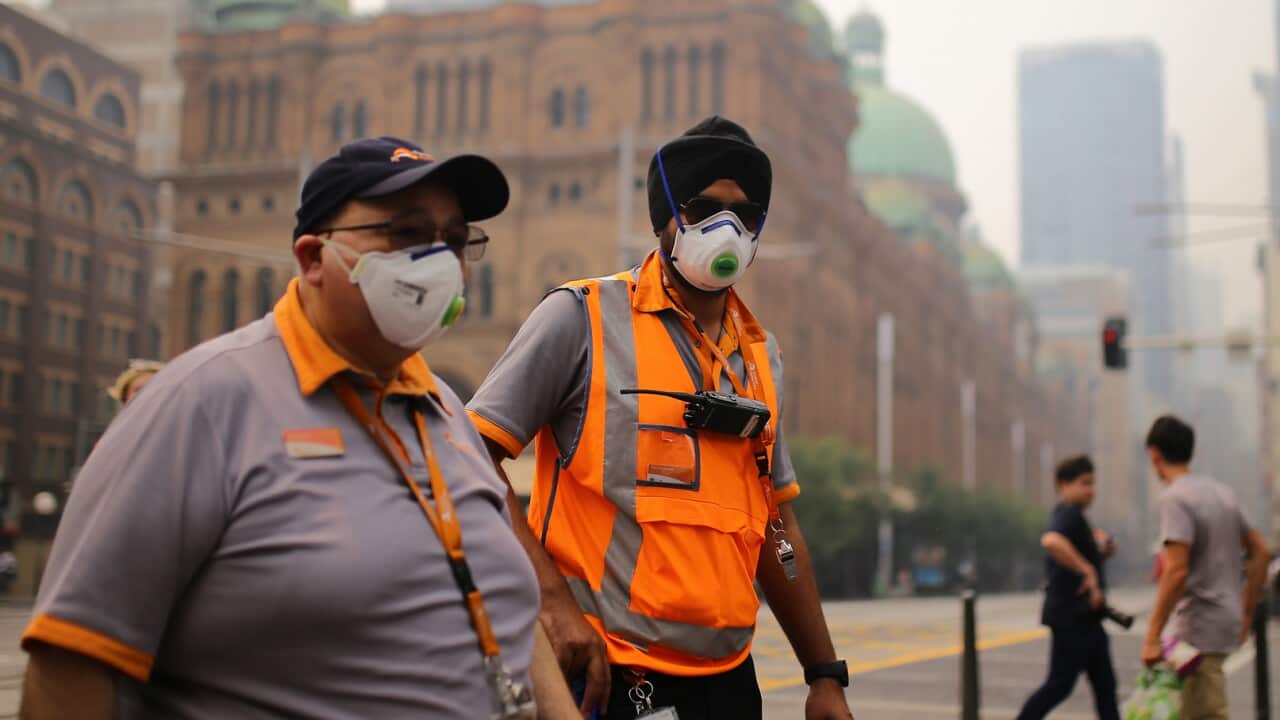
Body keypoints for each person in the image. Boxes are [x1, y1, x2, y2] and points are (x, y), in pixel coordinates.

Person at [20, 137, 577, 719]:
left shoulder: (446, 412)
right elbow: (71, 665)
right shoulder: (199, 403)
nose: (440, 261)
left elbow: (506, 614)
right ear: (313, 258)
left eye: (455, 241)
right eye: (405, 234)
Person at [466, 116, 853, 720]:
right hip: (601, 671)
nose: (726, 228)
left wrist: (823, 672)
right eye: (704, 208)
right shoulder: (582, 319)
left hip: (727, 682)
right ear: (664, 215)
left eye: (745, 215)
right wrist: (551, 603)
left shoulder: (762, 356)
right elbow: (466, 457)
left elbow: (775, 528)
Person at [1141, 414, 1271, 720]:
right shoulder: (1222, 493)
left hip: (1198, 628)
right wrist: (1247, 609)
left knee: (1205, 712)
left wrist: (1152, 635)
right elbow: (1261, 552)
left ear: (1154, 454)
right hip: (1224, 621)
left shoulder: (1175, 498)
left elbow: (1176, 571)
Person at [1016, 455, 1120, 720]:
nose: (1091, 490)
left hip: (1085, 619)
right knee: (1060, 685)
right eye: (1084, 483)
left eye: (1093, 483)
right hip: (1072, 619)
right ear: (1064, 485)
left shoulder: (1076, 518)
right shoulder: (1068, 514)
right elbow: (1051, 541)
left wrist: (1098, 555)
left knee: (1105, 687)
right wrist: (1087, 569)